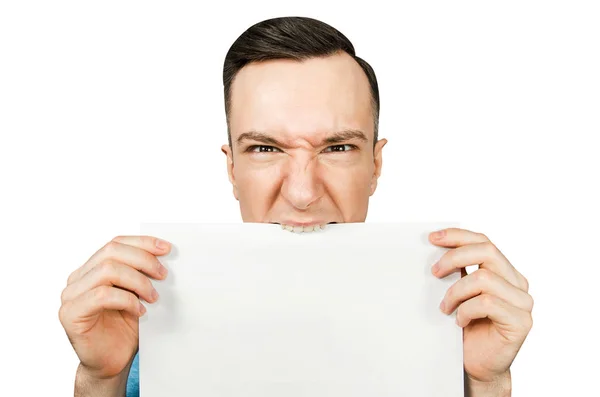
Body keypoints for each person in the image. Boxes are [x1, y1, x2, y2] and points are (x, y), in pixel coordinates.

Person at [59, 16, 533, 397]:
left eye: (337, 148)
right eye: (265, 149)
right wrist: (101, 381)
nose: (303, 193)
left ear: (376, 164)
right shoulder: (149, 350)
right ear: (231, 169)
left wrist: (485, 384)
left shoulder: (451, 339)